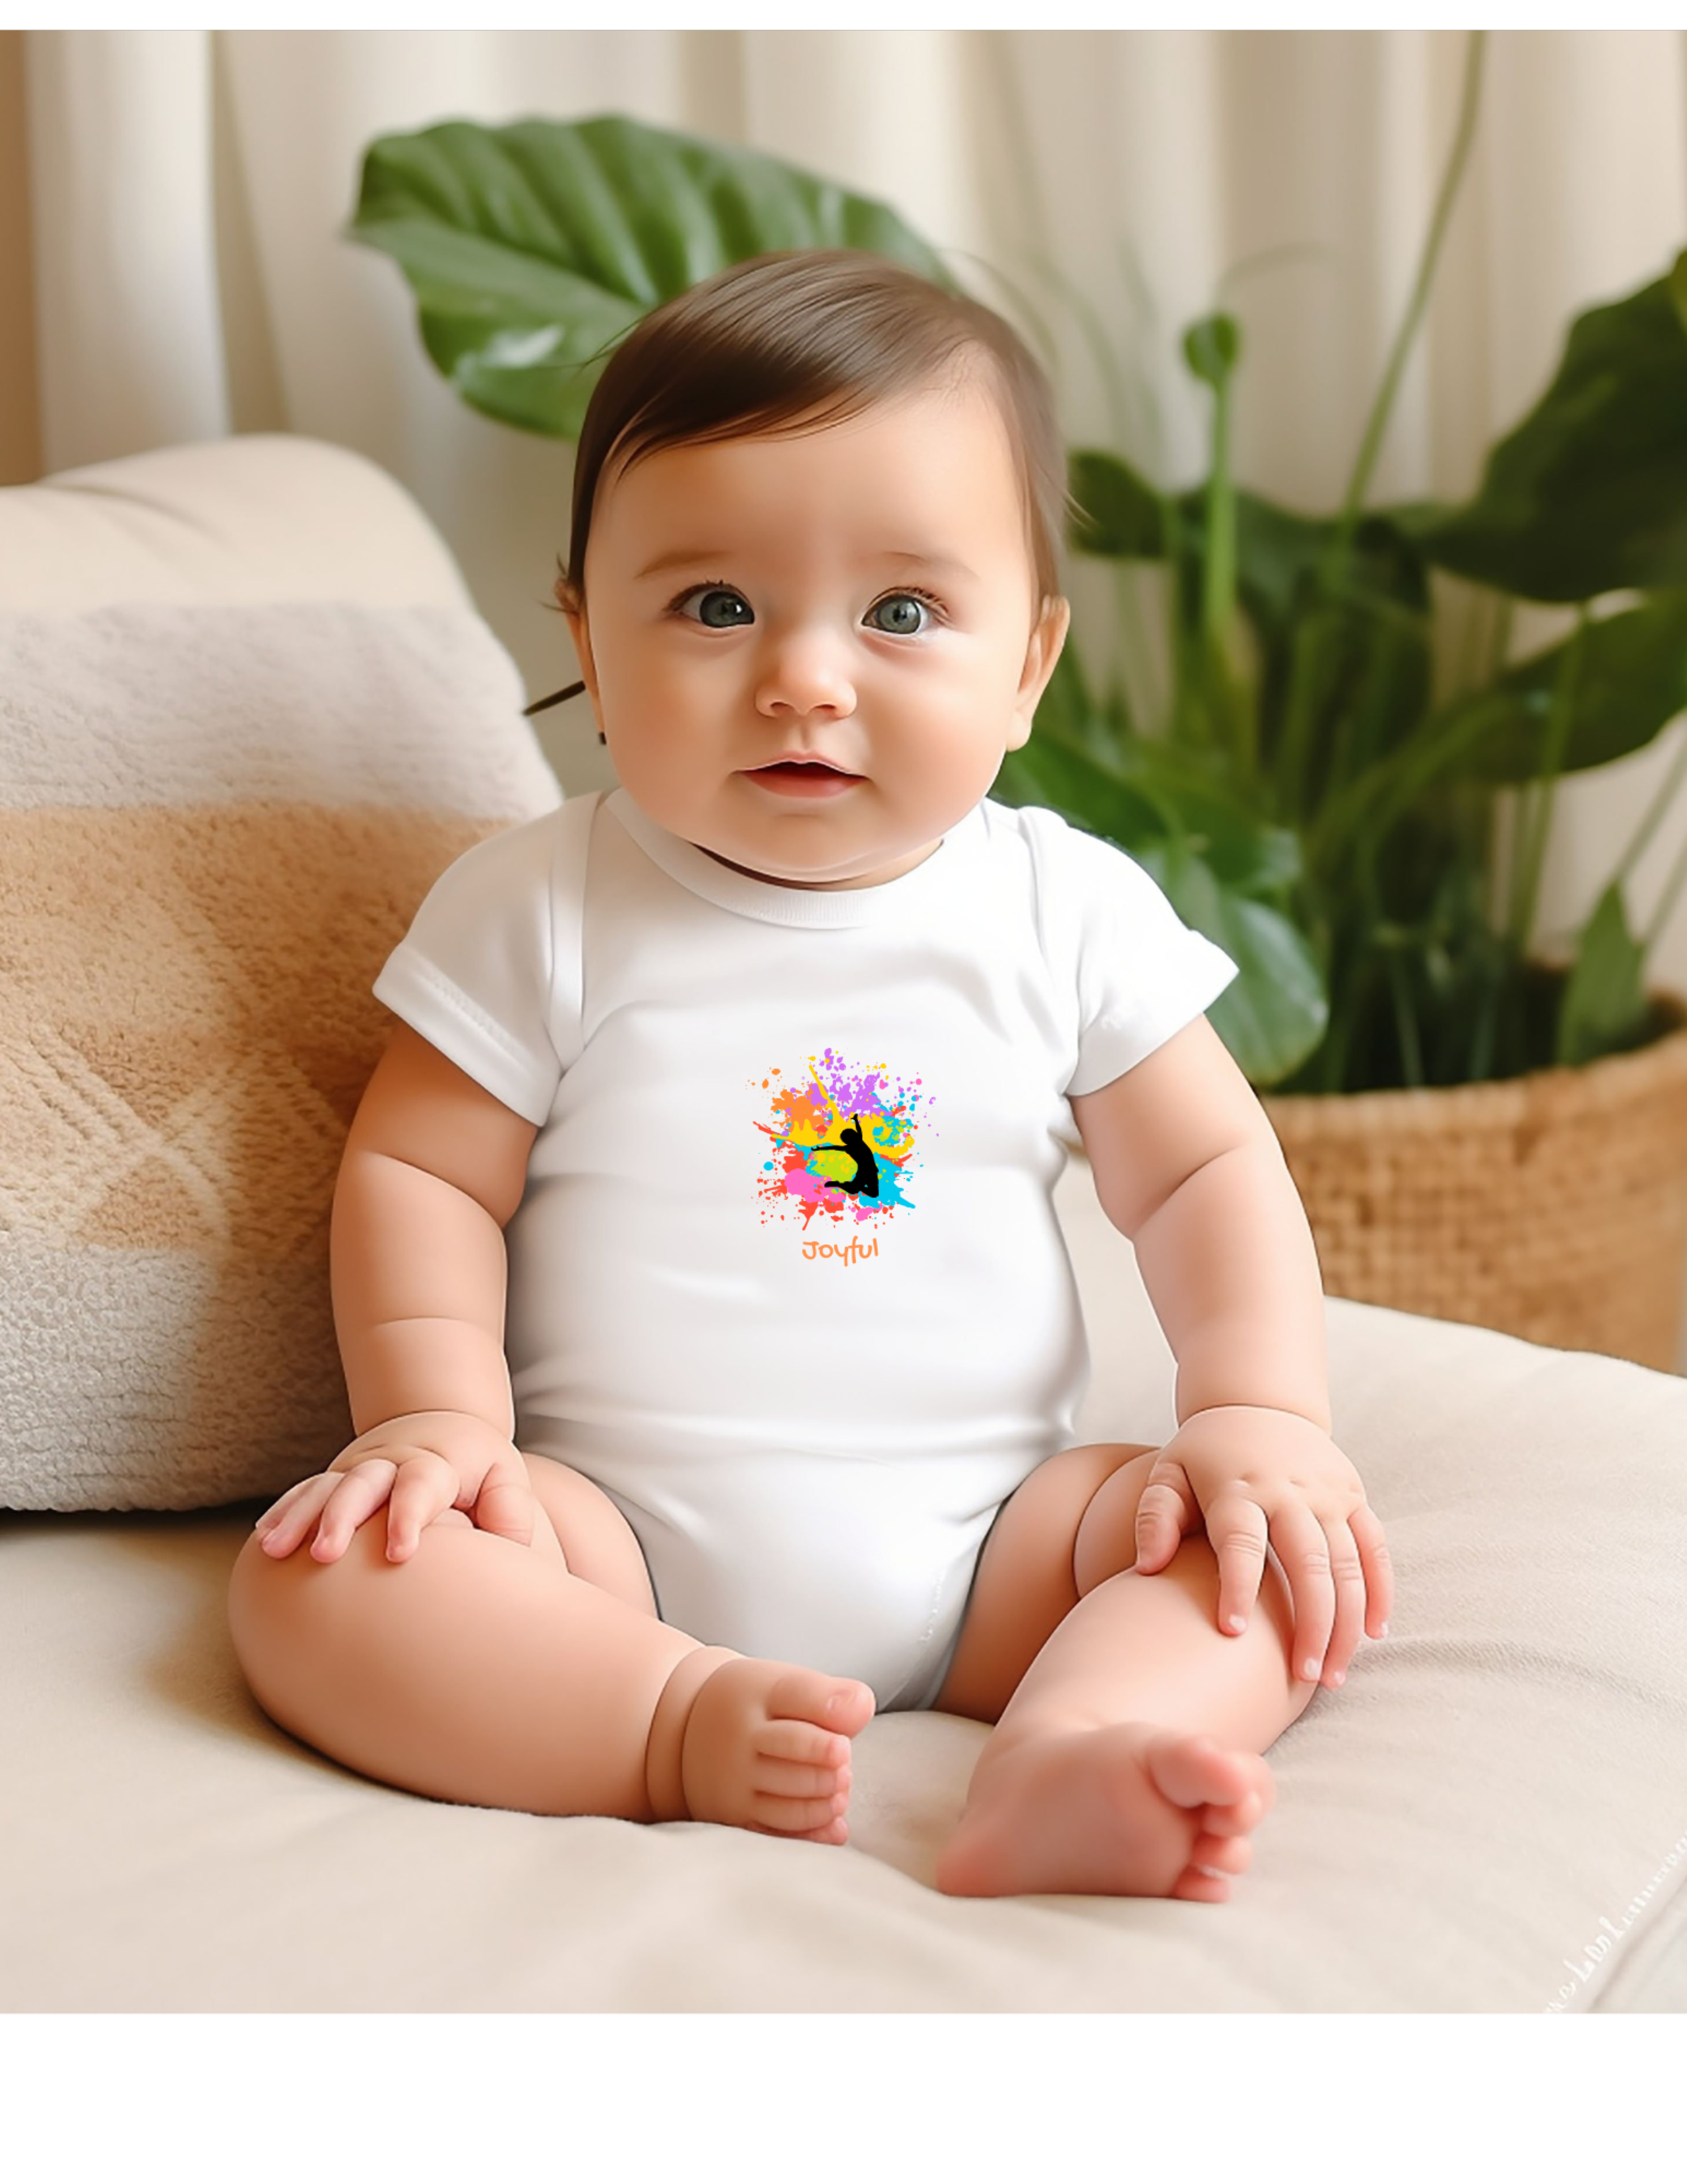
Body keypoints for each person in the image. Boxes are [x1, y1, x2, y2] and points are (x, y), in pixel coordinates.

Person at [229, 250, 1391, 1900]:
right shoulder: (540, 905)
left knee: (1264, 1556)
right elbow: (421, 1174)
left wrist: (1259, 1415)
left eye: (901, 613)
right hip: (605, 1546)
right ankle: (670, 1724)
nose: (805, 678)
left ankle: (1084, 1746)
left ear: (1029, 664)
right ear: (588, 637)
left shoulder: (1062, 909)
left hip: (1004, 1546)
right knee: (317, 1578)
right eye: (716, 606)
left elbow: (1206, 1170)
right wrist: (436, 1419)